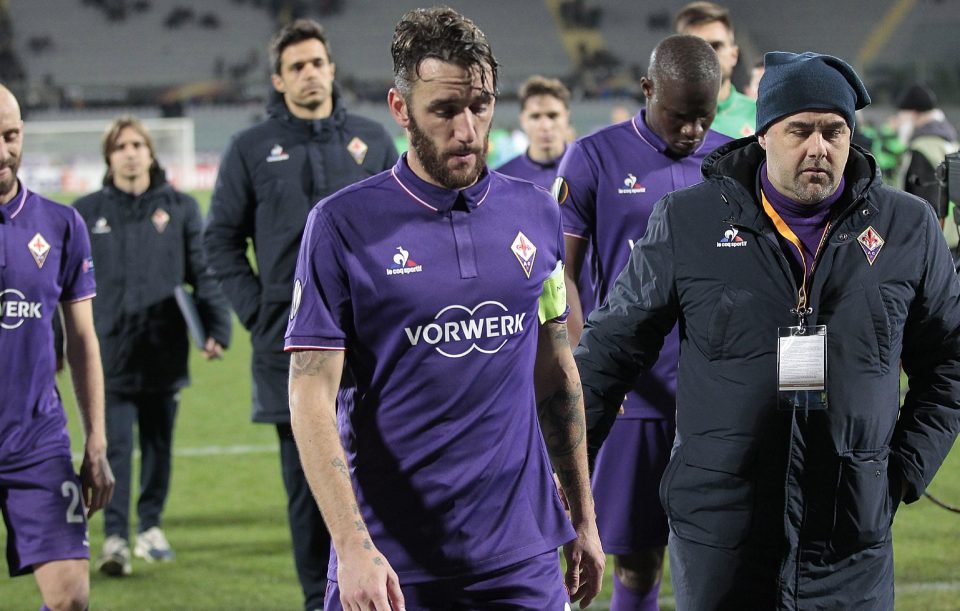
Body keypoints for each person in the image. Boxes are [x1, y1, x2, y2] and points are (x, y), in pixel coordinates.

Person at [576, 51, 960, 609]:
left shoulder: (906, 226)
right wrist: (569, 467)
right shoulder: (689, 219)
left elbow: (949, 361)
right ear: (763, 135)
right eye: (799, 130)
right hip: (720, 536)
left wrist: (901, 470)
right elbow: (610, 350)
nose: (818, 147)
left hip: (850, 541)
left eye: (834, 131)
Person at [285, 7, 605, 610]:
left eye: (480, 105)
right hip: (393, 562)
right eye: (444, 111)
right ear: (401, 109)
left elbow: (557, 374)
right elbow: (309, 394)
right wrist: (352, 548)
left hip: (524, 554)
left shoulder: (536, 213)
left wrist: (583, 518)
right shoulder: (341, 226)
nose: (467, 130)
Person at [203, 18, 398, 610]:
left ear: (332, 69)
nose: (310, 74)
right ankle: (321, 601)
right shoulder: (251, 148)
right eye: (297, 67)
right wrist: (262, 316)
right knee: (310, 490)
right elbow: (221, 241)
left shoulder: (372, 138)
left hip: (377, 347)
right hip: (294, 351)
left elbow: (403, 229)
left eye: (317, 63)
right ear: (278, 80)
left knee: (389, 479)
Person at [556, 34, 728, 611]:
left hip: (717, 393)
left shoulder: (737, 160)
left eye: (705, 118)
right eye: (680, 117)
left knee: (728, 552)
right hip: (633, 397)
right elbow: (564, 282)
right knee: (635, 558)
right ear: (647, 89)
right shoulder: (593, 157)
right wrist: (593, 377)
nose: (692, 132)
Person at [73, 115, 232, 577]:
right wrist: (61, 344)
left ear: (150, 152)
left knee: (159, 446)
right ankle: (116, 538)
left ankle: (150, 528)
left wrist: (215, 329)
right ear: (109, 156)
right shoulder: (86, 211)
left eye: (137, 144)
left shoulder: (180, 207)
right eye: (121, 146)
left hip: (164, 349)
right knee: (114, 447)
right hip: (109, 352)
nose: (130, 152)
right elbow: (68, 289)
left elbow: (202, 272)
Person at [0, 83, 115, 610]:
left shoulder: (61, 224)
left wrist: (96, 440)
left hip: (36, 441)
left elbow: (83, 341)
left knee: (71, 599)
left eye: (11, 135)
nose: (4, 151)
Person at [675, 1, 756, 138]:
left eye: (716, 46)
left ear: (734, 55)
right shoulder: (664, 121)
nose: (707, 55)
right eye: (697, 47)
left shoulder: (762, 116)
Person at [895, 82, 959, 251]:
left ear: (914, 114)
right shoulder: (948, 140)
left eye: (902, 115)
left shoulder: (922, 148)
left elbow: (925, 203)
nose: (899, 121)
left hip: (935, 241)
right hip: (954, 234)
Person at [496, 75, 571, 189]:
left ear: (566, 117)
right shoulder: (503, 180)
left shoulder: (591, 169)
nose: (545, 126)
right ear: (522, 120)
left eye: (552, 116)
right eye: (535, 117)